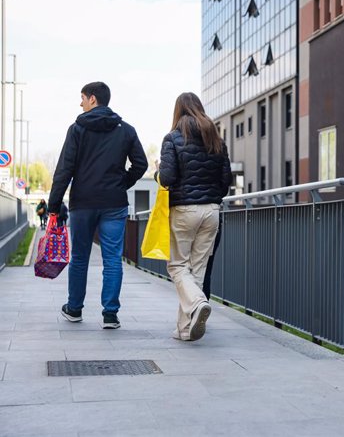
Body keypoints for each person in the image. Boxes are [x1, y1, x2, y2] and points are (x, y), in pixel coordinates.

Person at [48, 81, 147, 329]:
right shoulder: (126, 130)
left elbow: (64, 170)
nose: (80, 103)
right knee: (112, 258)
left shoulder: (77, 129)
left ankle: (74, 309)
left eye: (82, 97)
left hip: (83, 202)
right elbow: (141, 165)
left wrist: (53, 205)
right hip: (114, 203)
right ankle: (110, 314)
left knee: (80, 257)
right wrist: (122, 183)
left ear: (92, 99)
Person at [156, 92, 230, 341]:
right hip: (211, 211)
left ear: (178, 111)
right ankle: (185, 329)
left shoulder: (172, 139)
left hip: (184, 210)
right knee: (196, 271)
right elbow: (225, 183)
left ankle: (198, 302)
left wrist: (157, 172)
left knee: (177, 266)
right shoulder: (216, 139)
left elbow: (166, 179)